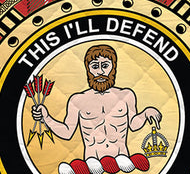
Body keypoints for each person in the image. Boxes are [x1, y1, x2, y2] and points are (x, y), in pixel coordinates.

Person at [31, 45, 161, 160]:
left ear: (113, 67)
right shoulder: (77, 100)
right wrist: (46, 118)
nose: (100, 72)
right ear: (88, 69)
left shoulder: (126, 95)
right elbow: (67, 132)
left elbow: (133, 125)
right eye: (94, 66)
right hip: (92, 162)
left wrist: (146, 113)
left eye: (105, 66)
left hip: (122, 160)